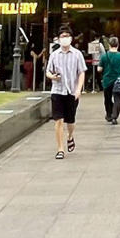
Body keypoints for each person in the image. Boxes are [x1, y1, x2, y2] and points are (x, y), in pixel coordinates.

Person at [45, 25, 87, 159]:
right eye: (62, 36)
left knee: (70, 121)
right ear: (58, 39)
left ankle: (70, 136)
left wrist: (78, 89)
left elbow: (81, 72)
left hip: (71, 91)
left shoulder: (77, 54)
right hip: (57, 90)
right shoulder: (54, 55)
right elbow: (48, 71)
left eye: (67, 36)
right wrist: (52, 76)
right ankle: (60, 148)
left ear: (71, 38)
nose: (65, 39)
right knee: (58, 120)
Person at [97, 36, 120, 125]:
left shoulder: (104, 56)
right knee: (118, 99)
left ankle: (109, 114)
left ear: (109, 44)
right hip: (118, 81)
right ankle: (114, 116)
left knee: (107, 99)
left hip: (107, 81)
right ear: (118, 45)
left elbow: (99, 69)